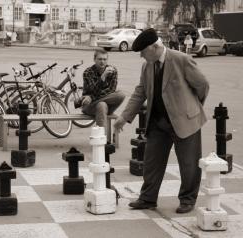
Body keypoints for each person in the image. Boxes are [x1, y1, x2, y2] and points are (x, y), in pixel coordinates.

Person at [113, 28, 209, 214]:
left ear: (154, 47)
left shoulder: (181, 60)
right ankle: (148, 198)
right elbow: (140, 92)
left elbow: (202, 85)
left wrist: (193, 108)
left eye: (142, 52)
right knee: (152, 162)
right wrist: (124, 117)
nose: (141, 56)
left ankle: (187, 200)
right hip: (158, 122)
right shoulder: (147, 65)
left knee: (189, 164)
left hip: (184, 121)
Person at [81, 49, 125, 131]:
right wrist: (103, 76)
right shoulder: (87, 72)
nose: (102, 62)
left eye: (105, 59)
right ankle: (102, 141)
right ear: (94, 59)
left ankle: (101, 140)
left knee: (121, 94)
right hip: (89, 106)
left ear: (107, 60)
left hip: (100, 103)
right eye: (100, 59)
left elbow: (111, 90)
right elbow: (93, 90)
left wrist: (91, 97)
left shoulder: (113, 71)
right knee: (102, 105)